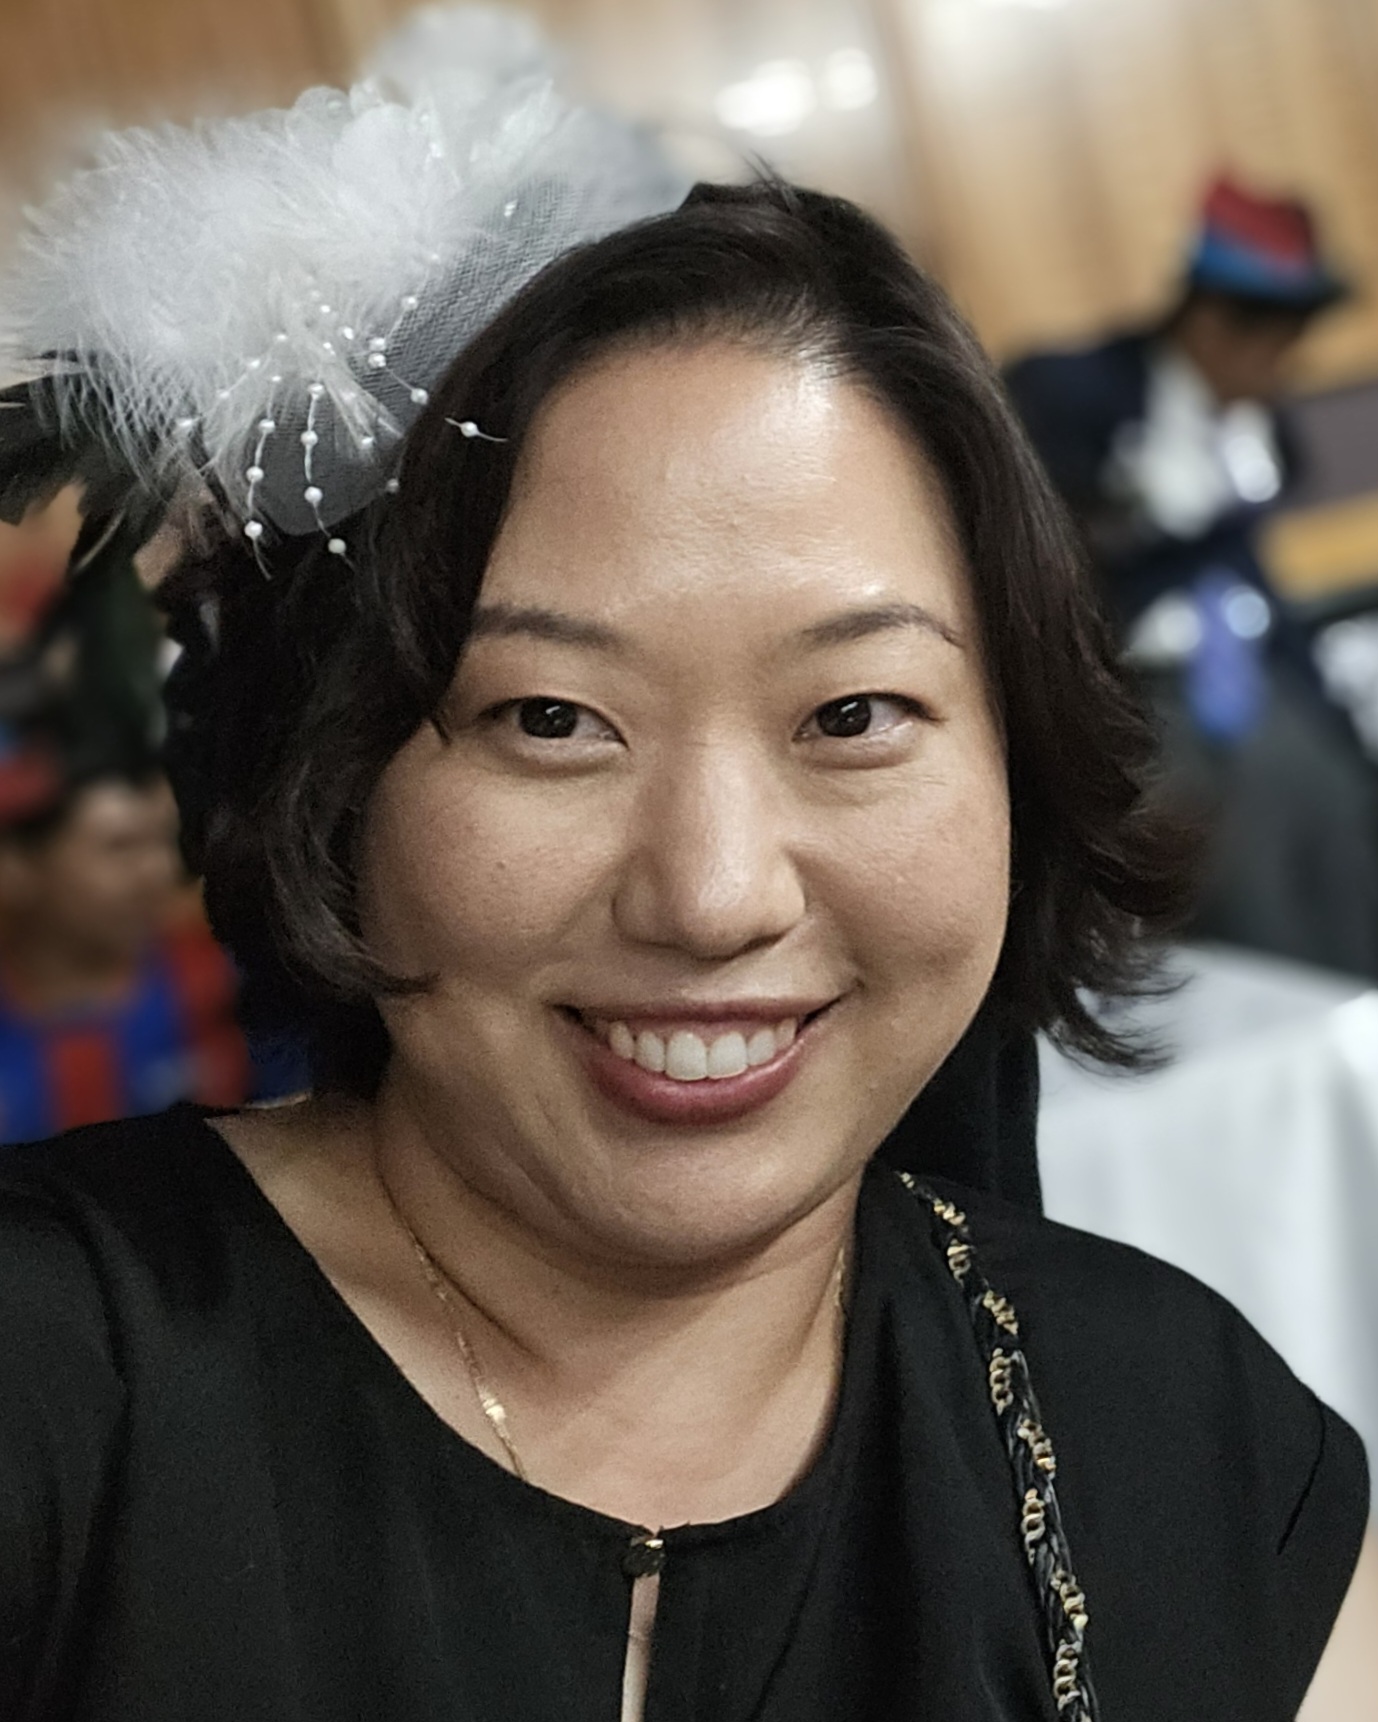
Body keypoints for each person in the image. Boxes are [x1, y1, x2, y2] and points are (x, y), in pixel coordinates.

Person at [0, 23, 1372, 1720]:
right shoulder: (59, 1386)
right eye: (552, 718)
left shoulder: (1192, 1455)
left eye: (852, 712)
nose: (714, 895)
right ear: (332, 781)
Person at [1006, 177, 1378, 977]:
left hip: (1258, 669)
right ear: (1210, 325)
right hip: (1142, 695)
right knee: (1244, 874)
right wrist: (1136, 509)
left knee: (1342, 823)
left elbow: (1248, 559)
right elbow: (1039, 540)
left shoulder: (1259, 426)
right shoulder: (1070, 391)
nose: (1283, 370)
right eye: (1273, 346)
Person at [0, 759, 253, 1139]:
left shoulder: (228, 982)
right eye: (121, 847)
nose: (160, 870)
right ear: (16, 864)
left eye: (166, 840)